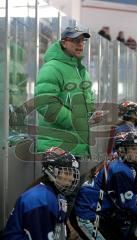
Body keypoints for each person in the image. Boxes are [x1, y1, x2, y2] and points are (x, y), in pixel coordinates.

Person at [35, 26, 103, 178]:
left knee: (71, 195)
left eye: (82, 41)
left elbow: (86, 99)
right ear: (64, 43)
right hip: (58, 146)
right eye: (75, 40)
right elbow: (45, 104)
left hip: (75, 146)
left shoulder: (81, 70)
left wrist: (91, 114)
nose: (80, 44)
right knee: (63, 196)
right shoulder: (51, 68)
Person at [69, 132, 137, 240]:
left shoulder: (127, 163)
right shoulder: (119, 170)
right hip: (87, 213)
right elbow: (130, 204)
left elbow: (135, 185)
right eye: (134, 148)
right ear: (122, 151)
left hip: (102, 212)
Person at [3, 147, 80, 240]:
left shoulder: (58, 194)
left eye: (73, 173)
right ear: (52, 171)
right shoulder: (40, 200)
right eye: (67, 173)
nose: (72, 178)